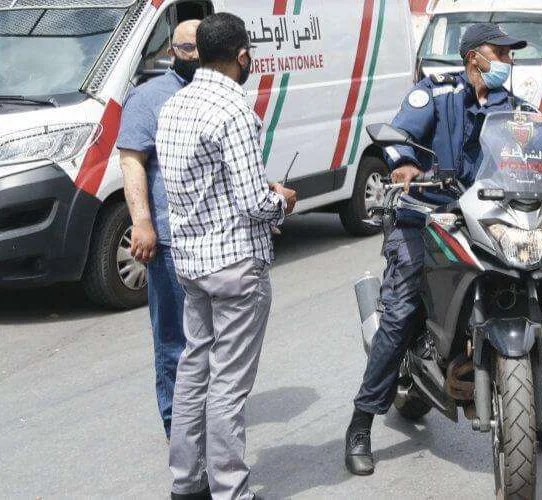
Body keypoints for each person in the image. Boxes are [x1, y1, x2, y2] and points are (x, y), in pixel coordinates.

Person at [344, 23, 542, 476]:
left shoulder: (515, 111)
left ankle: (537, 417)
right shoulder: (438, 94)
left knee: (529, 294)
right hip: (428, 215)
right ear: (473, 58)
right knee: (403, 311)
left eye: (510, 54)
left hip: (490, 219)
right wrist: (405, 165)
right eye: (499, 52)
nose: (508, 60)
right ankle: (361, 423)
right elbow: (401, 135)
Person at [156, 13, 297, 500]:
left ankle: (185, 483)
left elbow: (197, 185)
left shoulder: (175, 104)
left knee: (193, 371)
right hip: (236, 265)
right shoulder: (234, 108)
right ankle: (230, 491)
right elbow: (255, 202)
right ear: (241, 56)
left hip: (192, 263)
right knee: (228, 386)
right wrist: (281, 199)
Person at [116, 19, 201, 440]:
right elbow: (132, 161)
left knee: (211, 339)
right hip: (168, 241)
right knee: (172, 340)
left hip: (211, 240)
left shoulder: (216, 94)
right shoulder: (148, 99)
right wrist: (142, 223)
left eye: (202, 49)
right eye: (188, 50)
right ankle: (176, 425)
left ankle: (203, 417)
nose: (195, 58)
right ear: (171, 50)